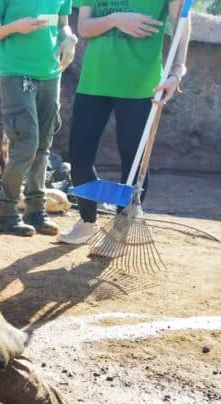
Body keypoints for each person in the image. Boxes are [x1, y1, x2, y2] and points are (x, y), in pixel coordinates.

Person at [58, 0, 191, 244]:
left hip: (141, 85)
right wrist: (116, 19)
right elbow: (84, 28)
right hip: (94, 80)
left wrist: (176, 72)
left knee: (133, 160)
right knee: (79, 154)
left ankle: (122, 226)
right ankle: (87, 221)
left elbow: (181, 22)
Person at [0, 0, 78, 236]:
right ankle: (5, 213)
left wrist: (69, 38)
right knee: (26, 144)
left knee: (43, 145)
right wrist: (15, 26)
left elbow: (63, 25)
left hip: (51, 74)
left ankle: (36, 211)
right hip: (16, 73)